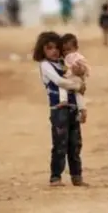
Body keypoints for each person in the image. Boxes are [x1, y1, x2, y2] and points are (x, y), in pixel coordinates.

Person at [32, 31, 88, 187]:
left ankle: (77, 176)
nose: (54, 51)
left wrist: (82, 108)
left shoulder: (64, 63)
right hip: (59, 110)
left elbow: (78, 78)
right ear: (42, 50)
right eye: (49, 48)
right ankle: (55, 177)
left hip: (72, 108)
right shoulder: (45, 65)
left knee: (75, 144)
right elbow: (59, 81)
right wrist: (78, 85)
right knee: (60, 144)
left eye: (57, 47)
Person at [60, 33, 89, 124]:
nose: (66, 52)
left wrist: (80, 71)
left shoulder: (76, 58)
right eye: (64, 50)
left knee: (62, 85)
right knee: (78, 95)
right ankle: (82, 110)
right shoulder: (66, 58)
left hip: (75, 79)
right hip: (75, 80)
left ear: (76, 48)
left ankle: (63, 100)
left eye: (69, 49)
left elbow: (83, 68)